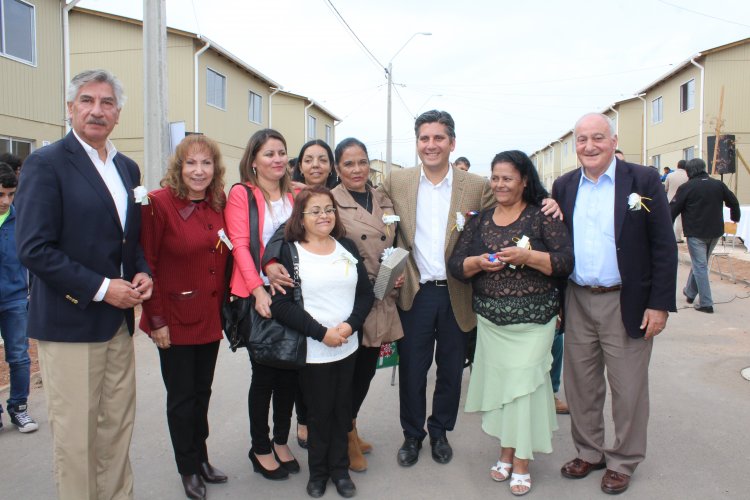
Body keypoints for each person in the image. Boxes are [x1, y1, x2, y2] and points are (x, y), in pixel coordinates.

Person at [380, 110, 561, 468]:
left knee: (450, 368)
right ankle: (412, 436)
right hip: (415, 290)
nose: (431, 145)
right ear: (417, 143)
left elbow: (515, 205)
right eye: (424, 138)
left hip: (458, 291)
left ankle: (440, 432)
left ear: (452, 143)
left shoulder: (476, 186)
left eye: (438, 138)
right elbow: (370, 211)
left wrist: (549, 202)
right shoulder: (395, 182)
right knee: (414, 369)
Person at [15, 69, 153, 500]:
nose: (97, 110)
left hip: (117, 325)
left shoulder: (127, 168)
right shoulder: (46, 163)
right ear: (70, 108)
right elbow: (34, 249)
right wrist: (102, 288)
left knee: (116, 430)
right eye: (87, 101)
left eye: (107, 102)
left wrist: (142, 270)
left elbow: (130, 238)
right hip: (70, 323)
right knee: (77, 441)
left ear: (118, 113)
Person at [551, 112, 677, 495]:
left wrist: (659, 304)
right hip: (577, 297)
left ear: (613, 139)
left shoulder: (643, 181)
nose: (589, 146)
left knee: (628, 389)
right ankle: (589, 452)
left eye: (598, 138)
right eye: (582, 139)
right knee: (581, 386)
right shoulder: (564, 186)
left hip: (627, 300)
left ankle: (623, 460)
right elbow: (555, 243)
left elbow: (663, 246)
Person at [448, 150, 573, 496]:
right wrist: (478, 262)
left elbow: (565, 262)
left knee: (525, 388)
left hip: (535, 321)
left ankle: (521, 461)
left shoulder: (542, 217)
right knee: (505, 392)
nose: (500, 184)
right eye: (495, 177)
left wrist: (528, 256)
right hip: (491, 322)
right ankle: (506, 451)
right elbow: (456, 264)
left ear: (524, 181)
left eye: (507, 178)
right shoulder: (480, 219)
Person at [139, 135, 229, 499]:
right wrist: (156, 320)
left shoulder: (217, 204)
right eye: (190, 163)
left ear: (215, 169)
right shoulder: (157, 205)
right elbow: (147, 264)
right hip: (173, 319)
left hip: (208, 317)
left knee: (202, 393)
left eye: (206, 163)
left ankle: (202, 456)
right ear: (178, 167)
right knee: (181, 398)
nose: (198, 170)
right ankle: (188, 468)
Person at [270, 186, 374, 498]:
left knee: (342, 410)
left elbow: (365, 293)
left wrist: (349, 326)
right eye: (315, 210)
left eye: (328, 209)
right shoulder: (290, 252)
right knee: (318, 414)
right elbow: (281, 305)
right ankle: (319, 473)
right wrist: (321, 333)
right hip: (313, 350)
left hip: (347, 345)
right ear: (300, 217)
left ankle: (340, 471)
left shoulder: (346, 246)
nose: (324, 215)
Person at [225, 129, 299, 481]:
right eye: (269, 154)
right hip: (260, 295)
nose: (278, 160)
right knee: (266, 373)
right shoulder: (242, 194)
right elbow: (239, 245)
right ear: (253, 160)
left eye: (282, 153)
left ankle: (282, 440)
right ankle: (260, 446)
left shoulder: (296, 194)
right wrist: (257, 290)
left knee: (291, 371)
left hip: (293, 295)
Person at [331, 138, 405, 472]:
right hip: (352, 300)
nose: (357, 169)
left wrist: (397, 273)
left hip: (383, 296)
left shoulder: (383, 198)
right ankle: (345, 435)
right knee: (349, 374)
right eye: (349, 163)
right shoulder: (330, 202)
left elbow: (395, 240)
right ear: (338, 169)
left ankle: (351, 425)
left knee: (365, 374)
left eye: (362, 162)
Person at [670, 158, 740, 313]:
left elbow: (672, 209)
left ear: (689, 171)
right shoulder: (717, 185)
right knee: (700, 263)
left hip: (696, 233)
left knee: (700, 265)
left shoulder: (687, 187)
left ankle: (706, 303)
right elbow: (733, 201)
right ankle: (689, 292)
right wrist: (735, 217)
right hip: (715, 232)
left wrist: (666, 229)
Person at [0, 163, 37, 433]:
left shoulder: (21, 218)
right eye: (1, 194)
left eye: (11, 194)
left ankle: (19, 409)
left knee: (19, 357)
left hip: (14, 299)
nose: (6, 201)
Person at [665, 160, 689, 243]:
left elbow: (665, 188)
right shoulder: (688, 175)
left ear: (677, 165)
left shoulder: (670, 175)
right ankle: (677, 237)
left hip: (671, 199)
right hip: (684, 199)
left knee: (669, 218)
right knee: (680, 219)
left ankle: (667, 235)